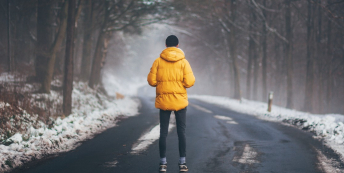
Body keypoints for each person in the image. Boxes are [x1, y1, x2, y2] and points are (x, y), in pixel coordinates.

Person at [147, 35, 195, 172]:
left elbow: (151, 81)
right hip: (180, 101)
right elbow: (190, 82)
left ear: (166, 46)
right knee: (181, 132)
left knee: (163, 132)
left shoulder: (158, 61)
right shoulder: (184, 62)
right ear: (178, 45)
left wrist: (161, 83)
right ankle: (182, 163)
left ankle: (163, 163)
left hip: (164, 101)